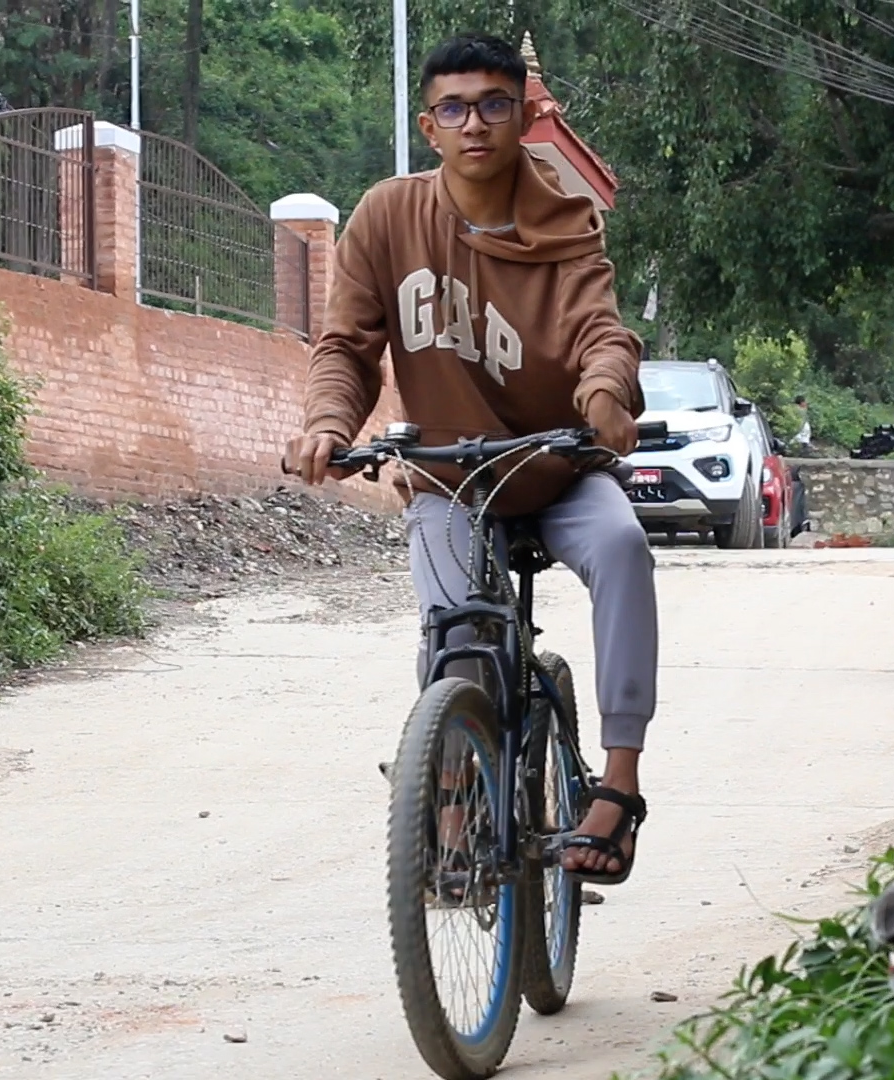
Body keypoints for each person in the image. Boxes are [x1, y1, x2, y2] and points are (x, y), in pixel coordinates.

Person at [284, 34, 655, 886]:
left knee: (627, 550)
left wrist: (606, 395)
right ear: (430, 125)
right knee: (457, 630)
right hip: (450, 478)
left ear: (523, 116)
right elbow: (345, 346)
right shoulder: (386, 217)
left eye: (494, 104)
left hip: (561, 467)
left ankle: (621, 788)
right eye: (454, 108)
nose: (475, 123)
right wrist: (326, 425)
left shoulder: (565, 214)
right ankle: (450, 782)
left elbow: (602, 329)